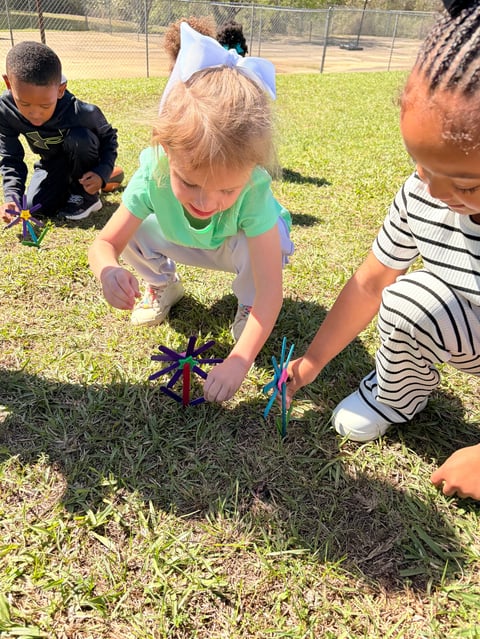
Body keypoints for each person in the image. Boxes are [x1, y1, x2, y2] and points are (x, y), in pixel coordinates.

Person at [285, 0, 480, 501]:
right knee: (408, 299)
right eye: (421, 165)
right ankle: (396, 397)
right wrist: (310, 363)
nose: (434, 191)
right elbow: (372, 283)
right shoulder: (422, 196)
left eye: (463, 182)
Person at [88, 23, 293, 404]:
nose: (207, 201)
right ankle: (163, 283)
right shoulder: (153, 171)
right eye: (190, 182)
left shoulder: (252, 191)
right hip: (183, 239)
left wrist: (239, 360)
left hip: (233, 247)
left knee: (269, 240)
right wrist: (108, 270)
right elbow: (104, 242)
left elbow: (272, 293)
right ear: (164, 148)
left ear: (250, 172)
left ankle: (242, 305)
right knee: (134, 228)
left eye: (227, 189)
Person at [0, 41, 118, 222]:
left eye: (45, 105)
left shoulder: (80, 111)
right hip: (53, 164)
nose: (35, 113)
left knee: (79, 138)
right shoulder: (5, 110)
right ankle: (97, 181)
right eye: (24, 103)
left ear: (60, 90)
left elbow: (109, 139)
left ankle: (87, 195)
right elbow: (10, 157)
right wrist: (12, 198)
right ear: (9, 83)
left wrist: (102, 172)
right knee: (33, 207)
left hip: (83, 153)